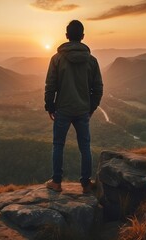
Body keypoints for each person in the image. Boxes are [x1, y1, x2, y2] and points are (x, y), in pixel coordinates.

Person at [44, 20, 103, 193]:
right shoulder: (92, 61)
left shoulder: (57, 59)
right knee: (85, 146)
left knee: (58, 145)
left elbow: (50, 85)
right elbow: (98, 88)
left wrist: (50, 106)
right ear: (83, 36)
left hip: (63, 109)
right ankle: (86, 184)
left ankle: (56, 182)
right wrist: (91, 108)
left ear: (66, 36)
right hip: (82, 110)